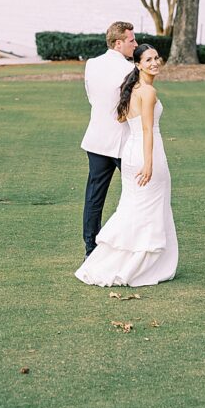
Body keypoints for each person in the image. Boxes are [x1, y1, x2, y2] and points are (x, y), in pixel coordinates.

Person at [75, 43, 179, 287]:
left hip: (130, 150)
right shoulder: (148, 93)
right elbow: (147, 129)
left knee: (133, 207)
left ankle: (113, 257)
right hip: (144, 151)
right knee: (148, 207)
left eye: (156, 58)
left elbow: (123, 118)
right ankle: (140, 264)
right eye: (148, 59)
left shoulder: (131, 89)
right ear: (138, 64)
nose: (155, 62)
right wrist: (150, 162)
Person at [80, 21, 138, 258]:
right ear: (118, 43)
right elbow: (131, 107)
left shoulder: (91, 64)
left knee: (94, 196)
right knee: (136, 195)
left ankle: (90, 247)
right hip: (123, 142)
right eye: (131, 40)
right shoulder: (129, 70)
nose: (135, 44)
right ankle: (129, 246)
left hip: (96, 138)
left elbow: (91, 97)